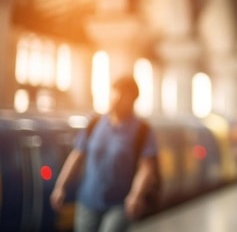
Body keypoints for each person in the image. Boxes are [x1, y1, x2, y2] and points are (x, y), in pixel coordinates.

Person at [50, 76, 159, 232]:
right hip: (88, 201)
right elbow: (77, 155)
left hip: (120, 204)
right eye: (115, 93)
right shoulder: (94, 123)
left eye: (123, 96)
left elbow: (146, 168)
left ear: (133, 101)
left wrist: (135, 195)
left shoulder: (142, 131)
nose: (117, 99)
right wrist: (60, 186)